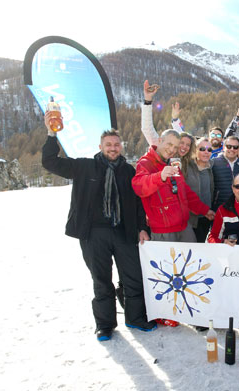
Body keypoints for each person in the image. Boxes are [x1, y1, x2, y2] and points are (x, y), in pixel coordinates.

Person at [41, 120, 154, 341]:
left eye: (116, 144)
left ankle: (135, 317)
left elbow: (137, 203)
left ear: (121, 147)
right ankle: (105, 325)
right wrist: (51, 134)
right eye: (108, 144)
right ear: (100, 146)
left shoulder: (128, 171)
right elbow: (50, 162)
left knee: (133, 277)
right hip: (93, 234)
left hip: (124, 231)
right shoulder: (85, 167)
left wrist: (142, 227)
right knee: (101, 280)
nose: (113, 148)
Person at [132, 129, 215, 242]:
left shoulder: (172, 163)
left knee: (192, 258)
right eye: (169, 144)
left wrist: (204, 210)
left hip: (184, 227)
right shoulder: (146, 163)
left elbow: (185, 192)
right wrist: (160, 176)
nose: (172, 149)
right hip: (163, 231)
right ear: (160, 140)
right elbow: (139, 186)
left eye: (175, 147)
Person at [185, 137, 215, 242]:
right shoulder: (186, 167)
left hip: (206, 217)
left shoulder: (211, 167)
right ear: (195, 150)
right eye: (202, 149)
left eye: (209, 149)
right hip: (190, 219)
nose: (206, 152)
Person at [211, 136, 239, 209]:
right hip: (219, 208)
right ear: (223, 147)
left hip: (238, 208)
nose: (232, 149)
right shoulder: (214, 163)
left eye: (235, 147)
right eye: (229, 146)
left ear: (238, 149)